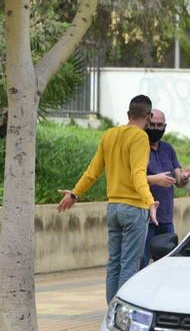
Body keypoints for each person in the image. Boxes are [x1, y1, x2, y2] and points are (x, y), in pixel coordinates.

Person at [58, 95, 159, 304]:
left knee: (114, 263)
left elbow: (92, 172)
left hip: (113, 209)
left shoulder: (109, 135)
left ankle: (111, 311)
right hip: (134, 209)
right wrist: (150, 202)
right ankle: (120, 315)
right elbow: (138, 174)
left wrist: (75, 194)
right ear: (148, 116)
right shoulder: (140, 138)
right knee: (129, 265)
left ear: (128, 114)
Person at [140, 109, 190, 269]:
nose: (156, 129)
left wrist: (185, 176)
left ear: (165, 126)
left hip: (165, 218)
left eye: (160, 125)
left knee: (166, 266)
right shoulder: (139, 147)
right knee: (142, 263)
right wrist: (155, 180)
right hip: (145, 218)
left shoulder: (168, 149)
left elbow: (179, 181)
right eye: (152, 125)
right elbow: (133, 180)